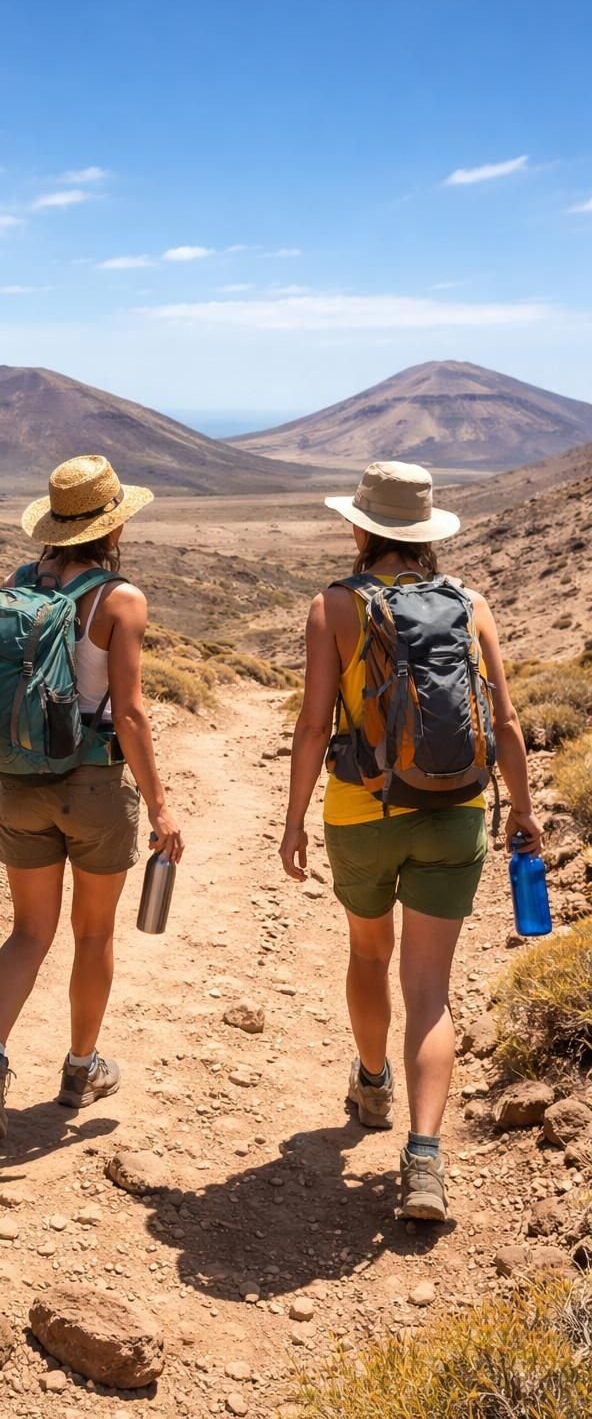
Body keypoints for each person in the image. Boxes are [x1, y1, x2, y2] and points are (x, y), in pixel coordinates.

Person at [279, 461, 541, 1222]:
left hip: (363, 812)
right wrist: (522, 809)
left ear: (361, 530)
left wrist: (295, 820)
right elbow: (510, 722)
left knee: (370, 954)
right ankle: (424, 1161)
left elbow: (311, 723)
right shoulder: (472, 603)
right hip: (457, 811)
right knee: (430, 991)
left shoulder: (335, 606)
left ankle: (370, 1084)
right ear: (425, 537)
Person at [0, 455, 184, 1139]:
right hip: (92, 786)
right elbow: (133, 714)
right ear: (113, 525)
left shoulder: (18, 582)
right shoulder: (120, 600)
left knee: (28, 931)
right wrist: (162, 805)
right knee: (91, 933)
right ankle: (81, 1067)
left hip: (20, 782)